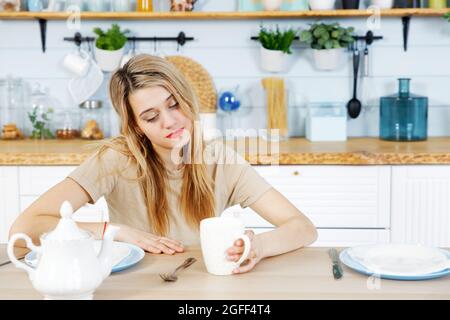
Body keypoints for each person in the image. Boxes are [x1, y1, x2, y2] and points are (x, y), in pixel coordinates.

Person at [9, 54, 317, 274]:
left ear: (188, 98)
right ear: (136, 126)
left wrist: (257, 246)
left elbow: (302, 228)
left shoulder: (221, 160)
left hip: (199, 286)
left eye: (173, 105)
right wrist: (113, 231)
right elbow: (24, 229)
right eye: (151, 117)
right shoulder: (115, 159)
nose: (170, 122)